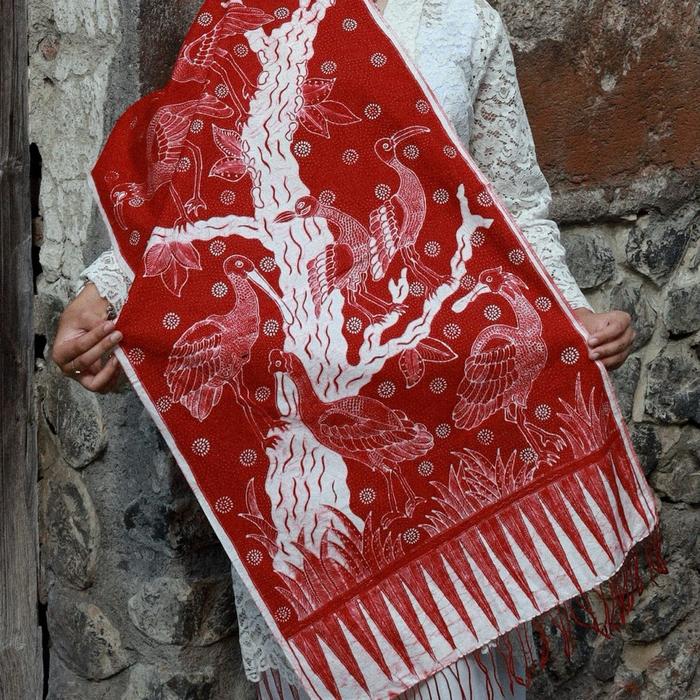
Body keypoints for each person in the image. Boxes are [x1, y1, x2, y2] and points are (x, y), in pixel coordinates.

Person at [52, 0, 636, 696]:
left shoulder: (462, 24)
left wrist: (569, 312)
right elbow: (187, 196)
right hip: (297, 431)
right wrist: (106, 295)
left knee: (460, 672)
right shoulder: (247, 20)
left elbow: (514, 206)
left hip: (444, 412)